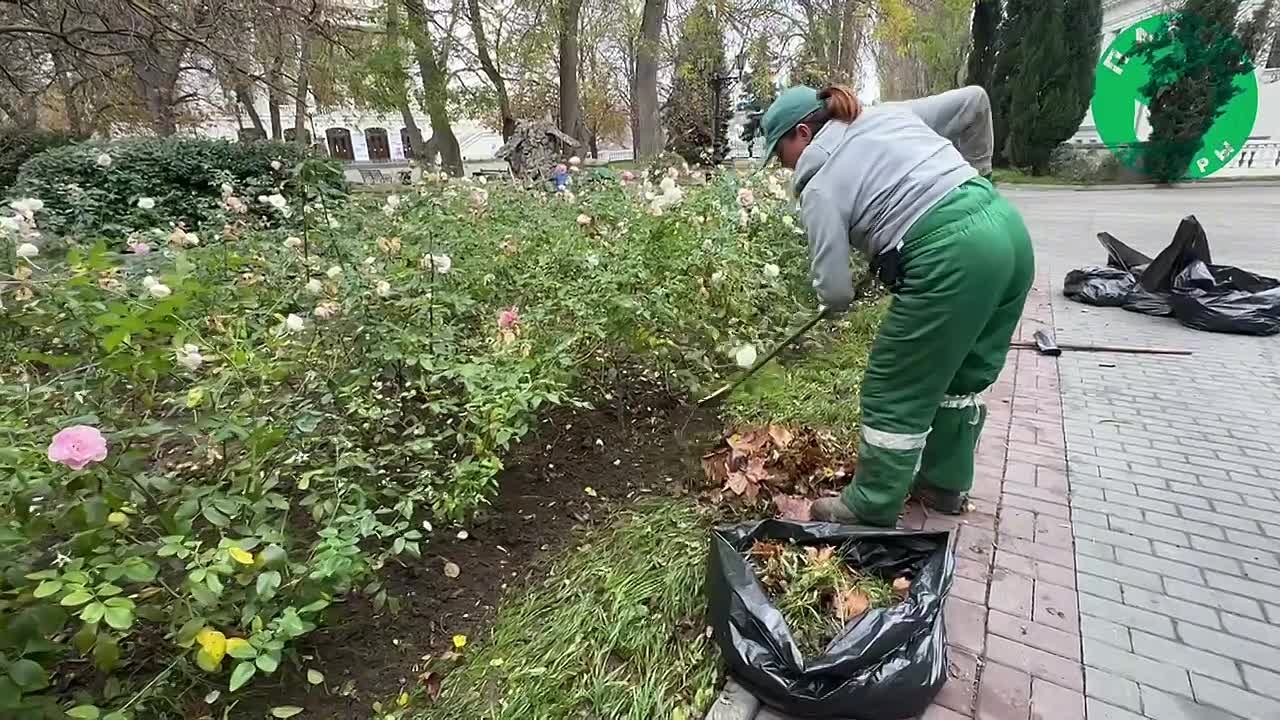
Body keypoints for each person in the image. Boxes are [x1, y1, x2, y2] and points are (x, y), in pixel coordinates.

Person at [757, 84, 1034, 526]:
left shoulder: (819, 185)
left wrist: (845, 293)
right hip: (1007, 231)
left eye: (781, 151)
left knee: (893, 384)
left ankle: (873, 501)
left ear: (803, 133)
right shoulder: (888, 114)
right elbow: (976, 100)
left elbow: (834, 292)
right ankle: (944, 484)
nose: (783, 165)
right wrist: (979, 172)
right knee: (962, 374)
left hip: (952, 256)